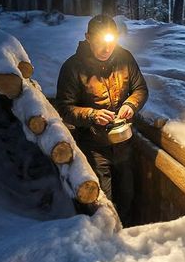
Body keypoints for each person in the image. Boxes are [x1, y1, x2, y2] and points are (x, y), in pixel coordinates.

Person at [56, 14, 148, 224]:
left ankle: (124, 239)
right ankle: (104, 241)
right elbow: (64, 107)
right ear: (88, 38)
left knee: (127, 196)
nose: (107, 49)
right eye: (100, 43)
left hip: (123, 143)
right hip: (94, 146)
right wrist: (92, 115)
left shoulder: (124, 58)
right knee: (102, 202)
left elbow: (140, 89)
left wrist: (130, 104)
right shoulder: (73, 68)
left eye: (111, 42)